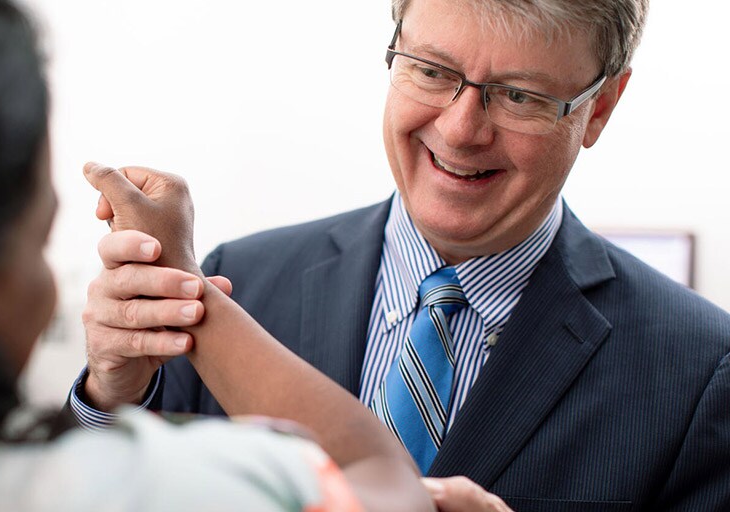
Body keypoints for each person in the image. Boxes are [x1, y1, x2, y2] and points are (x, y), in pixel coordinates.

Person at [0, 0, 476, 510]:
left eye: (522, 95)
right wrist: (182, 295)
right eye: (40, 241)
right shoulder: (144, 490)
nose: (464, 126)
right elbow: (381, 481)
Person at [72, 0, 730, 510]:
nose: (459, 129)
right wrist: (111, 394)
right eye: (433, 72)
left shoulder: (698, 373)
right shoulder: (239, 284)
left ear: (600, 110)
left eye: (520, 95)